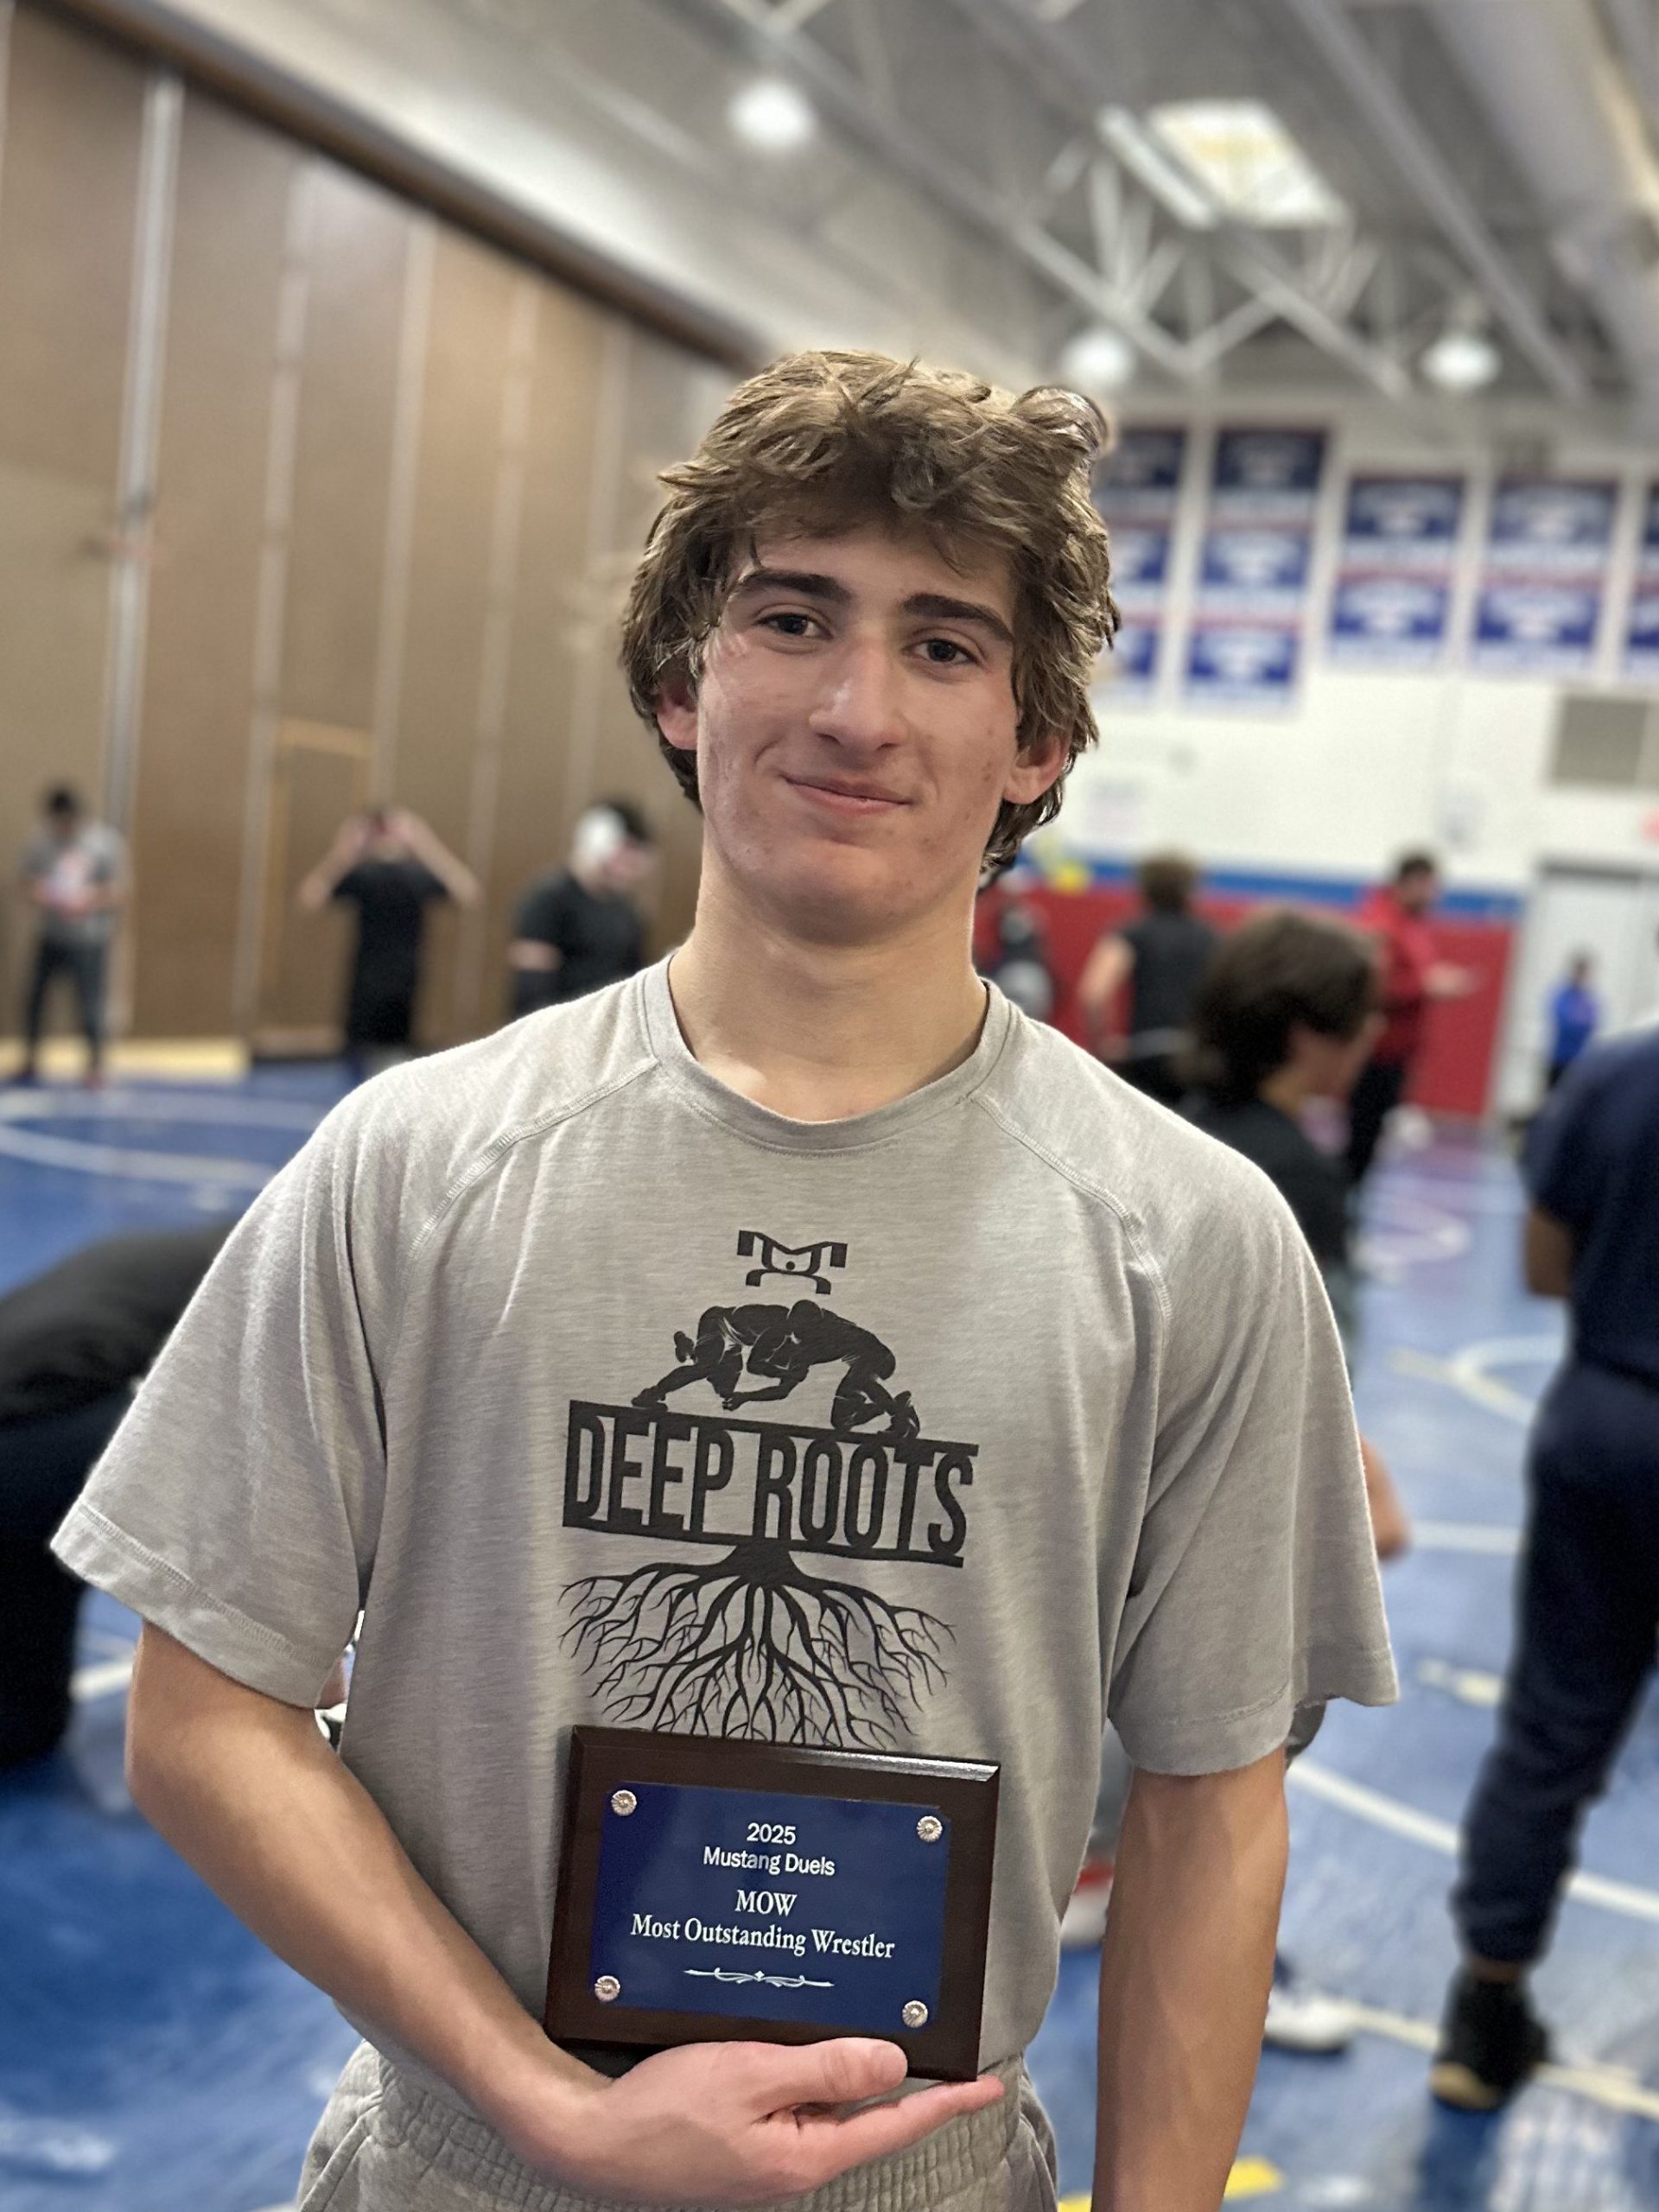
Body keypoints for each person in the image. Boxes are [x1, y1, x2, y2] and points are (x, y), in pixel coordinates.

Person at [54, 351, 1395, 2212]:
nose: (857, 705)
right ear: (686, 681)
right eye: (793, 616)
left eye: (944, 643)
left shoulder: (1194, 1234)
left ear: (1039, 744)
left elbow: (1211, 1801)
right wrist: (546, 2098)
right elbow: (204, 1708)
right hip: (466, 2168)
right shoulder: (422, 1163)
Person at [1431, 1022, 1659, 2113]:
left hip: (1604, 1423)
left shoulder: (1615, 1070)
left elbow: (1539, 1264)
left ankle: (1480, 2016)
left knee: (1554, 1723)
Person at [0, 1224, 230, 1770]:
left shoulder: (231, 1244)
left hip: (36, 1428)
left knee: (25, 1718)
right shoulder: (288, 1277)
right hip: (32, 1445)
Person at [296, 806, 479, 1077]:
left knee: (389, 1057)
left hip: (400, 980)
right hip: (371, 979)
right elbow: (312, 898)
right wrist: (347, 852)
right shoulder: (367, 876)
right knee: (366, 1052)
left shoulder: (413, 876)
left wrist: (424, 846)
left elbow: (467, 892)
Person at [1343, 852, 1472, 1193]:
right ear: (1410, 883)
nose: (1434, 897)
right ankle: (1339, 1217)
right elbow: (1371, 984)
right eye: (1430, 887)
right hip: (1376, 1052)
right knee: (1361, 1139)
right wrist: (1425, 985)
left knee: (1370, 1142)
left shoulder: (1410, 925)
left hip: (1396, 1051)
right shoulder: (1381, 923)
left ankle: (1349, 1208)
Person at [1075, 852, 1218, 1106]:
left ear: (1144, 888)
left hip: (1145, 1056)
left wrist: (1103, 1045)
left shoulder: (1132, 933)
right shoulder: (1211, 939)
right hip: (1194, 1059)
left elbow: (1094, 993)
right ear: (1191, 889)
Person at [14, 785, 128, 1086]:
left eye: (68, 820)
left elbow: (119, 891)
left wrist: (89, 898)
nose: (63, 827)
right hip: (52, 935)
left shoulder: (104, 843)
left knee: (90, 1002)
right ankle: (31, 1058)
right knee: (35, 999)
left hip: (89, 938)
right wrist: (44, 894)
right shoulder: (41, 842)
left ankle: (95, 1065)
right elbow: (25, 881)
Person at [506, 799, 656, 1017]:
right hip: (556, 1034)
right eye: (625, 858)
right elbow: (531, 996)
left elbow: (633, 985)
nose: (629, 872)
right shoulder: (548, 901)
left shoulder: (628, 914)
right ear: (597, 844)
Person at [1543, 951, 1599, 1090]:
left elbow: (1592, 1024)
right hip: (1559, 1058)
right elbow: (1564, 1023)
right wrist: (1579, 1023)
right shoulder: (1562, 995)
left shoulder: (1587, 999)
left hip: (1579, 1061)